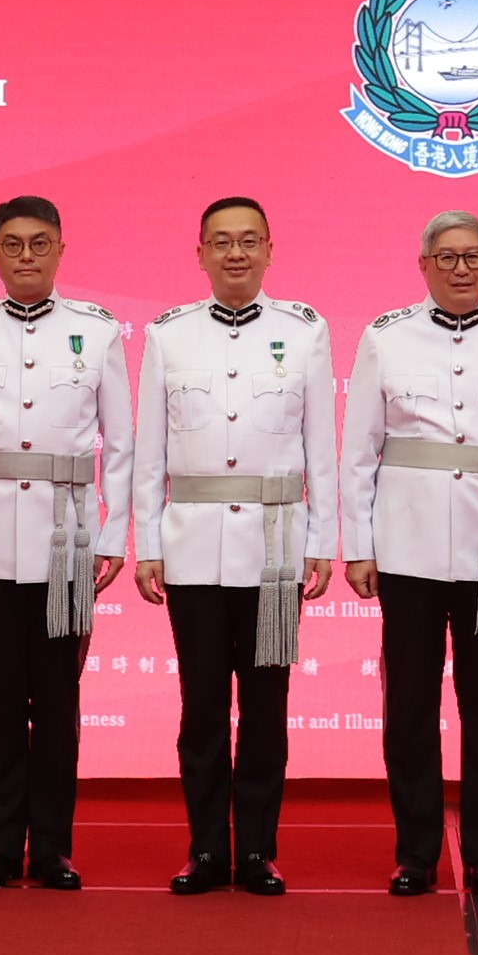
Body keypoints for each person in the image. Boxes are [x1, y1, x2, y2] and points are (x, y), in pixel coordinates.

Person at [342, 208, 478, 898]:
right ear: (424, 266)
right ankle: (416, 853)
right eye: (447, 258)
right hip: (405, 547)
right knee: (408, 706)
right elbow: (359, 451)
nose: (461, 268)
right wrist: (358, 543)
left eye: (472, 257)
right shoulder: (385, 338)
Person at [131, 196, 335, 895]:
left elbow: (321, 448)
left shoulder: (305, 331)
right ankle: (206, 850)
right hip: (190, 548)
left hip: (277, 550)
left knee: (267, 705)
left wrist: (323, 541)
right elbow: (148, 452)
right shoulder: (168, 336)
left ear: (270, 249)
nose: (236, 253)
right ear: (200, 253)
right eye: (221, 241)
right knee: (203, 707)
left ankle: (257, 852)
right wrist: (147, 542)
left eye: (249, 241)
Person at [0, 195, 130, 894]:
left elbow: (123, 447)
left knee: (58, 702)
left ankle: (51, 848)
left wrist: (112, 534)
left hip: (67, 543)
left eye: (39, 243)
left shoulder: (99, 332)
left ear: (60, 249)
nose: (26, 256)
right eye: (12, 244)